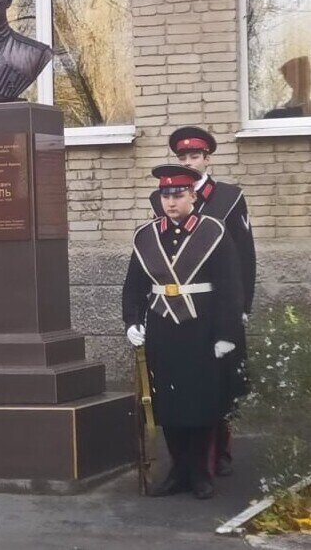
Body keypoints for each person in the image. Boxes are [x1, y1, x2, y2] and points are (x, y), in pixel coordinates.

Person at [125, 164, 243, 500]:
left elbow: (229, 287)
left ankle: (200, 473)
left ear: (193, 195)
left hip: (202, 327)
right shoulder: (146, 236)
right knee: (169, 405)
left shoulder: (214, 231)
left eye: (178, 195)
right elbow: (134, 285)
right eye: (165, 195)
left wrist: (226, 334)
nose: (171, 202)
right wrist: (132, 320)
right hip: (162, 327)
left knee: (202, 403)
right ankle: (178, 470)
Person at [149, 127, 256, 477]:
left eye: (194, 156)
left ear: (207, 158)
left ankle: (218, 452)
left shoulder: (228, 197)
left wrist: (241, 309)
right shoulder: (163, 199)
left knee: (223, 379)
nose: (189, 162)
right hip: (181, 312)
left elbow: (244, 257)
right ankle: (188, 463)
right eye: (183, 158)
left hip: (221, 305)